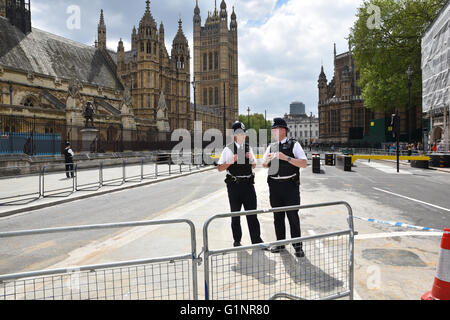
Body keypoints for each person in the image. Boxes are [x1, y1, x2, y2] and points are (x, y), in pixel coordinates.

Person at [263, 118, 308, 258]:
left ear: (283, 130)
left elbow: (304, 163)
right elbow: (264, 164)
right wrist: (268, 160)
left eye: (275, 129)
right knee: (278, 217)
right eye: (272, 130)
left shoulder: (294, 145)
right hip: (275, 186)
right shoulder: (271, 146)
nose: (273, 132)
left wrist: (285, 158)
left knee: (293, 217)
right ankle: (281, 243)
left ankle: (298, 247)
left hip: (290, 186)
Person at [217, 121, 265, 248]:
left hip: (248, 184)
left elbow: (254, 165)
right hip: (234, 185)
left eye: (243, 133)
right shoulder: (228, 149)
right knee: (235, 214)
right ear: (234, 135)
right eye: (239, 133)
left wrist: (251, 160)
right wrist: (231, 161)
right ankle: (237, 240)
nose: (242, 135)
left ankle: (257, 240)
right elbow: (220, 168)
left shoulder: (248, 147)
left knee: (252, 214)